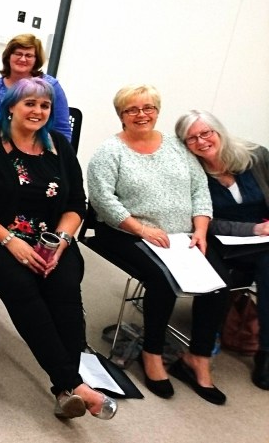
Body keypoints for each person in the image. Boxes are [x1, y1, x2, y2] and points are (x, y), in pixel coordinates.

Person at [0, 77, 117, 420]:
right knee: (22, 286)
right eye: (29, 103)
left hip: (49, 239)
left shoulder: (59, 147)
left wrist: (61, 241)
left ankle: (67, 390)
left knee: (65, 287)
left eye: (45, 105)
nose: (38, 111)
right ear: (10, 108)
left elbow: (76, 204)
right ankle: (72, 384)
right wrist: (10, 241)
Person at [87, 84, 229, 405]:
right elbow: (102, 200)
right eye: (132, 109)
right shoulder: (109, 152)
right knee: (163, 280)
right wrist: (142, 229)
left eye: (148, 108)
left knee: (219, 284)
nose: (142, 114)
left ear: (157, 111)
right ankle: (151, 354)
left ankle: (198, 359)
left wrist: (200, 230)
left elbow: (199, 190)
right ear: (121, 115)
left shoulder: (177, 146)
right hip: (127, 233)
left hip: (183, 236)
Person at [175, 110, 269, 390]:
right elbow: (204, 221)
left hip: (265, 237)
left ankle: (265, 351)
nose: (201, 141)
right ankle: (204, 343)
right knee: (218, 274)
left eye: (206, 133)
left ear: (219, 132)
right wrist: (254, 230)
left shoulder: (256, 157)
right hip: (220, 239)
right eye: (192, 138)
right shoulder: (191, 173)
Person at [0, 34, 72, 142]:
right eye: (18, 54)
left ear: (36, 60)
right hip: (3, 146)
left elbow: (62, 130)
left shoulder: (51, 86)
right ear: (8, 57)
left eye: (29, 55)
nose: (23, 59)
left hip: (44, 146)